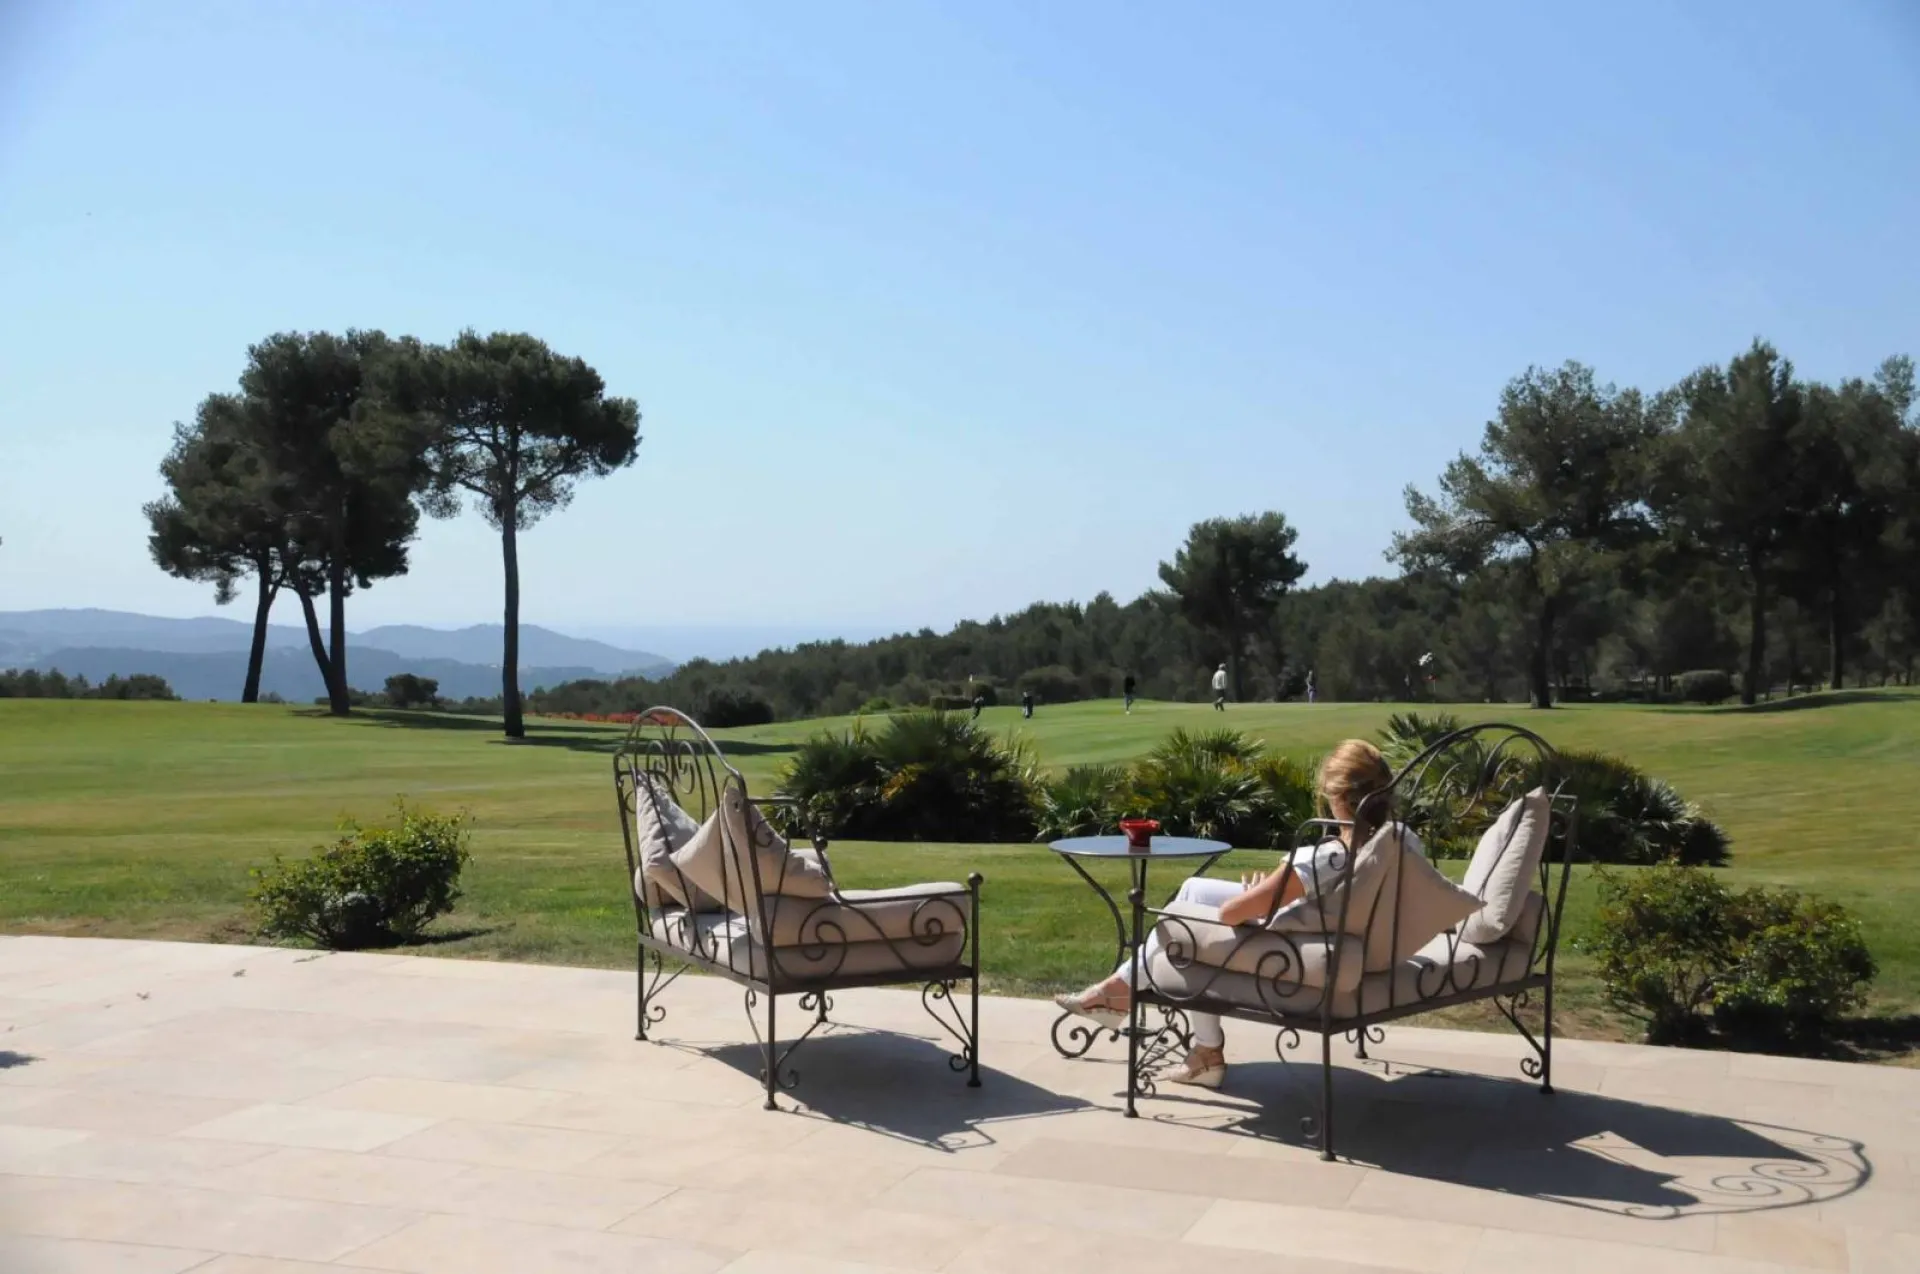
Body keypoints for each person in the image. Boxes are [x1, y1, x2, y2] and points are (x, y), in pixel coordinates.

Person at [1052, 739, 1400, 1089]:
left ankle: (1153, 1017)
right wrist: (1271, 895)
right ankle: (1125, 997)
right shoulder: (1393, 842)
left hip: (1289, 947)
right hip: (1322, 929)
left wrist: (1255, 900)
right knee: (1193, 889)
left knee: (1181, 932)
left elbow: (1234, 914)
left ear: (1337, 795)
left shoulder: (1327, 856)